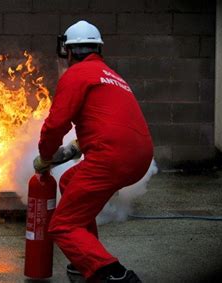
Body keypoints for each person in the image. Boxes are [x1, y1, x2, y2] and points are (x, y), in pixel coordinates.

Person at [33, 20, 153, 282]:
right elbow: (112, 122)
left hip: (110, 159)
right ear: (97, 49)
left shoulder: (76, 75)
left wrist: (45, 156)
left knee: (63, 226)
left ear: (68, 51)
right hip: (139, 157)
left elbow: (55, 126)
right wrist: (78, 146)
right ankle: (83, 260)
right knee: (68, 180)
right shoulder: (112, 76)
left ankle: (113, 274)